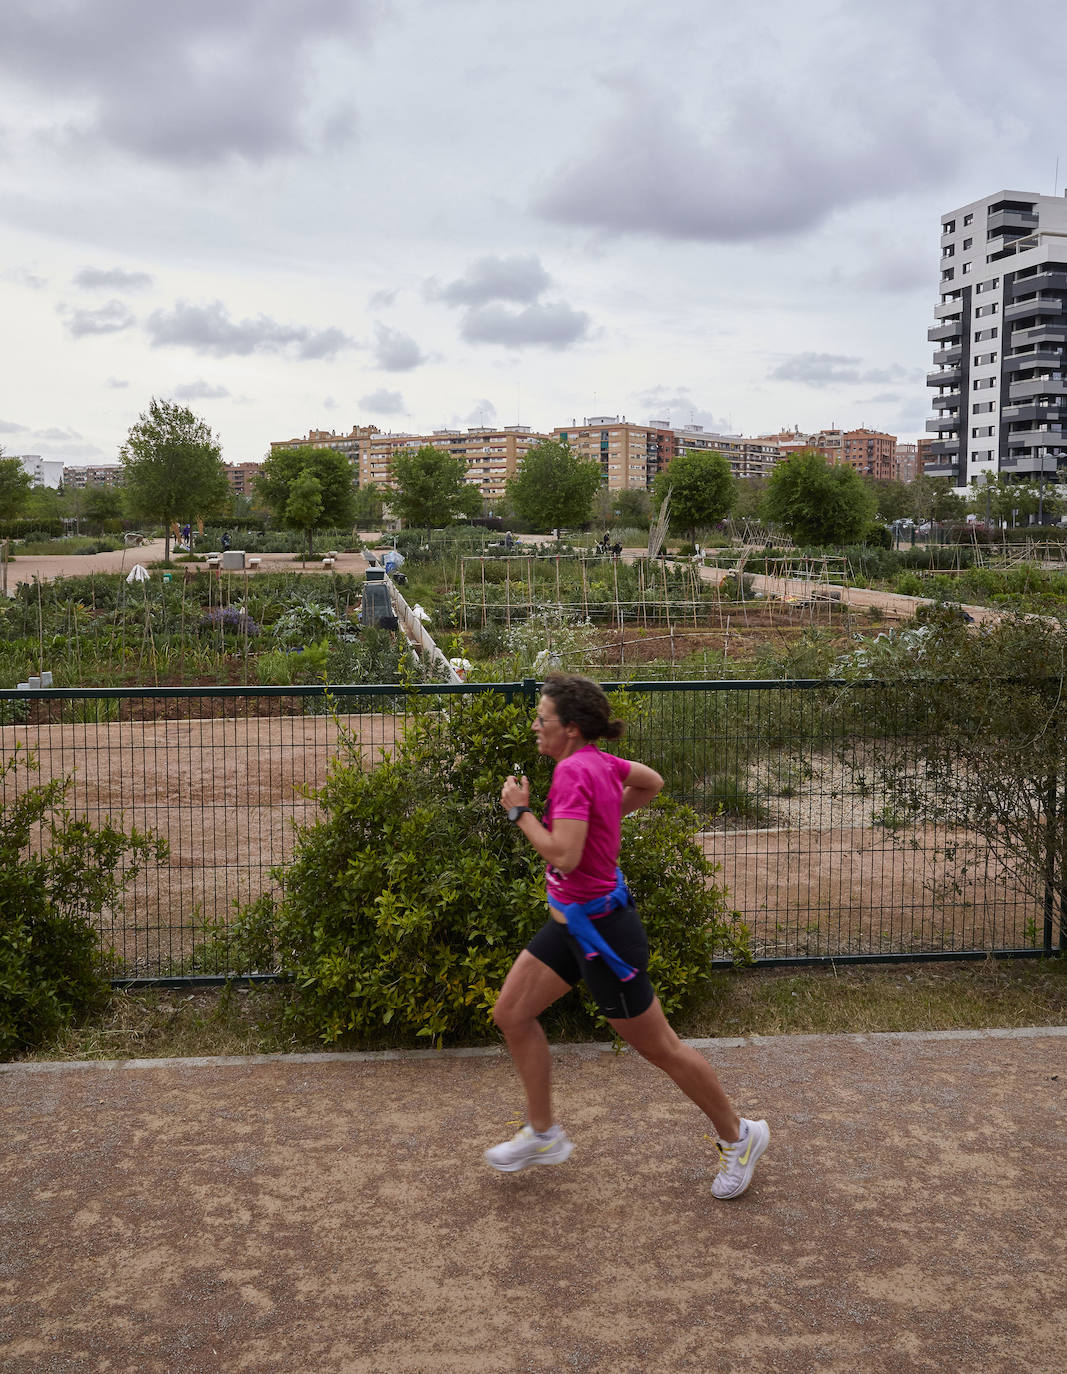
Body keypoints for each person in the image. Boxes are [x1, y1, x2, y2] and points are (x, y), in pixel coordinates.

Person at [487, 673, 769, 1199]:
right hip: (569, 924)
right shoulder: (598, 762)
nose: (535, 726)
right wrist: (602, 819)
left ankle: (740, 1134)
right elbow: (652, 781)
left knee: (660, 1047)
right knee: (512, 1013)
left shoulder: (573, 772)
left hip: (604, 935)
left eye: (542, 719)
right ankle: (544, 1133)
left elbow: (563, 854)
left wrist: (519, 812)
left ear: (569, 729)